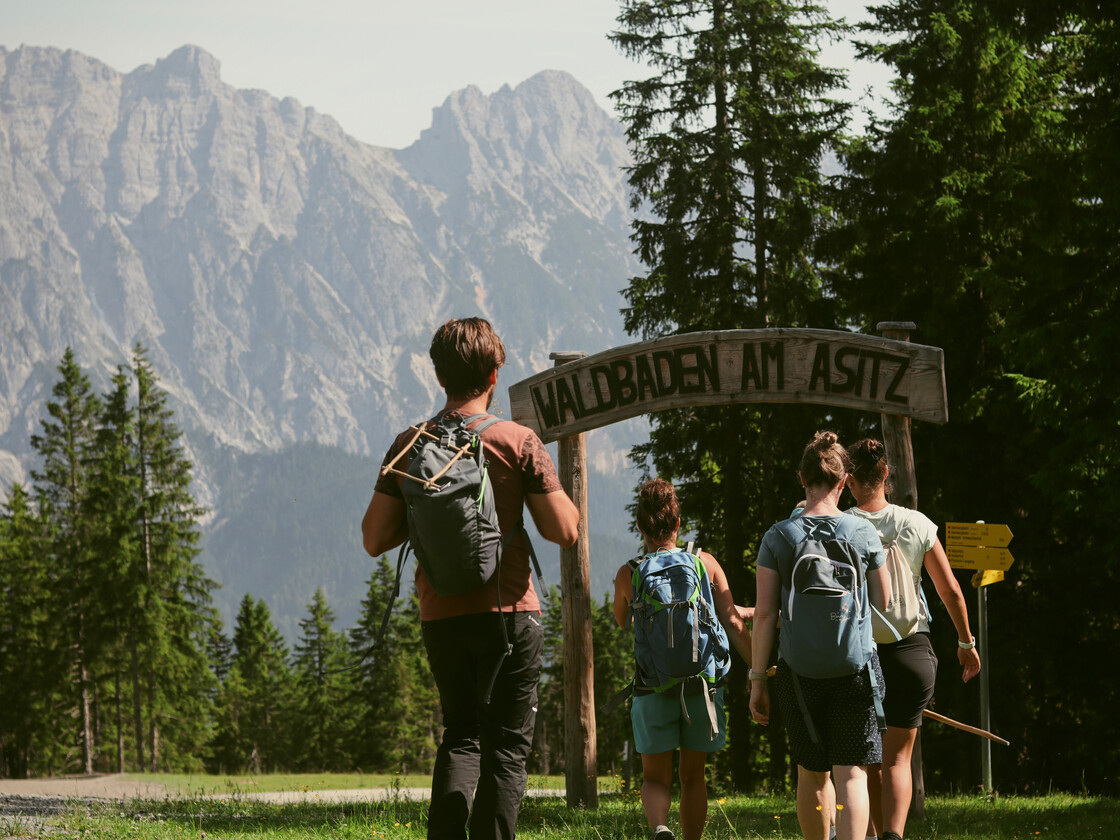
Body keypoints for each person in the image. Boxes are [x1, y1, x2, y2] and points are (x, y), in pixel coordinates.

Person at [362, 317, 579, 840]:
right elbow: (565, 530)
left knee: (459, 737)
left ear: (439, 376)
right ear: (494, 374)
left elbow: (373, 538)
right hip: (510, 615)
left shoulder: (408, 445)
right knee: (506, 749)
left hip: (442, 614)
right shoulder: (516, 441)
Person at [750, 431, 890, 840]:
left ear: (802, 478)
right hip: (855, 669)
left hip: (799, 674)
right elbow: (882, 599)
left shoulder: (778, 536)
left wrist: (757, 680)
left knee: (812, 776)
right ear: (844, 480)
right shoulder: (861, 531)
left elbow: (763, 615)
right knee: (852, 777)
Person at [846, 438, 981, 840]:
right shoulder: (916, 523)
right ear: (886, 474)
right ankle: (893, 835)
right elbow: (951, 590)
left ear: (849, 480)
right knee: (898, 760)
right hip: (912, 653)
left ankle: (870, 835)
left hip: (856, 654)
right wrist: (966, 644)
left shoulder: (841, 526)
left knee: (869, 759)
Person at [612, 478, 753, 840]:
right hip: (701, 686)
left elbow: (619, 619)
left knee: (655, 777)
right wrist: (758, 669)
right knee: (693, 777)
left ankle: (660, 826)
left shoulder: (629, 572)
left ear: (641, 526)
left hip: (652, 687)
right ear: (677, 523)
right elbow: (733, 622)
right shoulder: (704, 562)